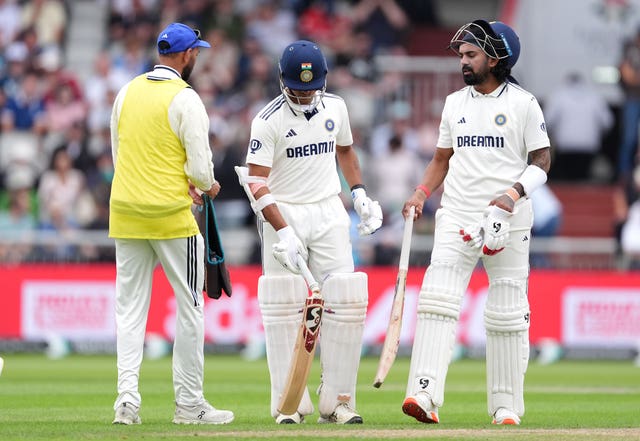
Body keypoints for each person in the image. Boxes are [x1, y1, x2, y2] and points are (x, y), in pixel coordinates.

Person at [401, 20, 551, 426]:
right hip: (457, 214)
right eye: (462, 56)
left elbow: (542, 162)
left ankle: (505, 407)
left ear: (496, 57)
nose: (463, 62)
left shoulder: (523, 103)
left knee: (506, 312)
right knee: (437, 300)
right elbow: (441, 160)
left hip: (508, 218)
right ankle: (424, 394)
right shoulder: (454, 103)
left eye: (471, 55)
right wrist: (420, 192)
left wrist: (512, 195)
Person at [236, 40, 382, 425]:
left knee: (347, 300)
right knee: (284, 307)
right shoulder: (267, 120)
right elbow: (256, 182)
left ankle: (338, 401)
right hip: (283, 212)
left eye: (311, 87)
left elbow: (346, 152)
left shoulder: (336, 106)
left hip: (329, 209)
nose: (304, 94)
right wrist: (282, 231)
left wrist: (360, 193)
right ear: (283, 82)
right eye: (297, 89)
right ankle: (290, 404)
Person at [109, 22, 234, 426]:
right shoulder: (186, 99)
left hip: (126, 211)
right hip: (172, 217)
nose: (197, 56)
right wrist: (207, 185)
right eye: (196, 51)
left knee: (129, 311)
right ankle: (189, 405)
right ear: (184, 55)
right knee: (190, 307)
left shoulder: (126, 92)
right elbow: (200, 168)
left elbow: (118, 153)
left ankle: (126, 402)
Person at [544, 72, 612, 181]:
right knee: (583, 179)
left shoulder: (558, 95)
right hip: (589, 147)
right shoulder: (595, 96)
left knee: (567, 180)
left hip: (565, 147)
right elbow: (607, 123)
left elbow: (547, 121)